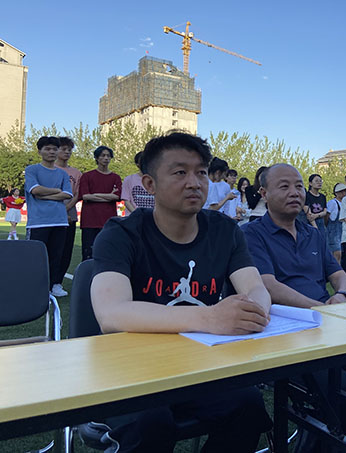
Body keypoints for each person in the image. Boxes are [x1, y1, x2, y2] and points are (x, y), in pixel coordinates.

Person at [90, 132, 272, 452]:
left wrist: (253, 311)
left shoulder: (224, 230)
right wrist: (210, 318)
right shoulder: (121, 233)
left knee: (248, 405)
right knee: (153, 421)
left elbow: (255, 286)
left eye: (201, 172)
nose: (194, 183)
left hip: (199, 363)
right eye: (179, 172)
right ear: (149, 184)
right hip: (131, 366)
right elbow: (111, 313)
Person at [241, 164, 346, 450]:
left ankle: (344, 439)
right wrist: (320, 308)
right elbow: (267, 286)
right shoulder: (251, 234)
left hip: (330, 328)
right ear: (264, 193)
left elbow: (341, 276)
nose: (295, 192)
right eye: (284, 186)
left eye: (298, 186)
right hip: (286, 336)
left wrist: (342, 296)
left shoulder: (313, 235)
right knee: (343, 393)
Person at [25, 136, 72, 297]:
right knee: (36, 257)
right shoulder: (32, 170)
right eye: (47, 149)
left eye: (54, 149)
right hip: (38, 222)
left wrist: (44, 195)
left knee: (56, 256)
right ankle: (34, 287)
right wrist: (56, 191)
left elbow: (67, 194)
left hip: (60, 221)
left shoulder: (63, 174)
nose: (51, 152)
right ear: (40, 151)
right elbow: (35, 190)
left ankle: (54, 286)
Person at [78, 146, 122, 261]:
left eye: (108, 156)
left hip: (109, 221)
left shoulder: (116, 177)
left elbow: (116, 197)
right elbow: (85, 196)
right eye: (103, 155)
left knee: (108, 254)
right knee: (88, 255)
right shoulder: (87, 176)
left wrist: (94, 195)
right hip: (89, 221)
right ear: (97, 158)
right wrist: (108, 196)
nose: (106, 158)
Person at [55, 136, 82, 292]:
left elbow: (77, 194)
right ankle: (46, 281)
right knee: (53, 249)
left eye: (69, 150)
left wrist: (66, 209)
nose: (67, 152)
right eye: (63, 149)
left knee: (66, 250)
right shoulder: (50, 169)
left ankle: (57, 283)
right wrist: (60, 210)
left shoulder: (76, 173)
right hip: (52, 212)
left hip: (70, 212)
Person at [326, 183, 346, 264]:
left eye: (344, 191)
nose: (343, 193)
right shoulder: (332, 203)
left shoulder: (345, 203)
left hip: (343, 231)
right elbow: (327, 217)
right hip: (334, 232)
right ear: (336, 193)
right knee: (336, 254)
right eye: (341, 191)